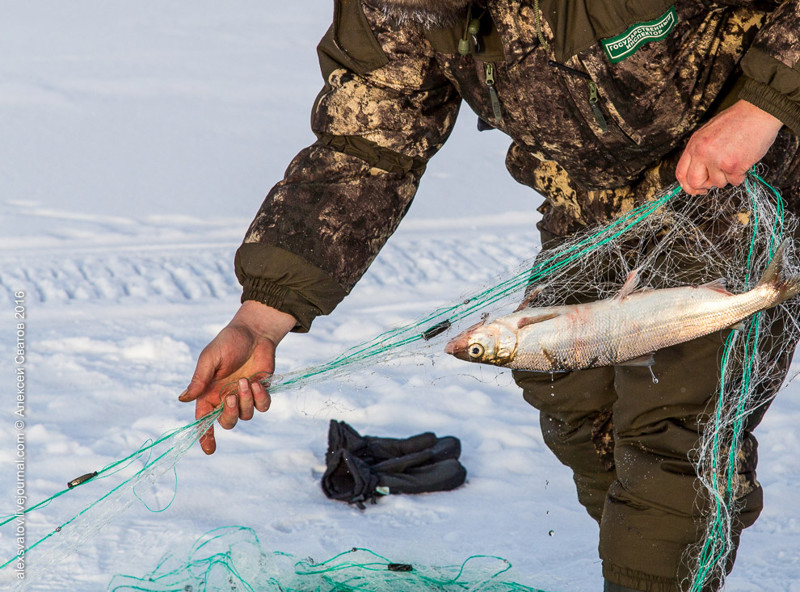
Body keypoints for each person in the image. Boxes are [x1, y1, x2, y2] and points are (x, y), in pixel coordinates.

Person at [178, 1, 800, 590]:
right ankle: (662, 548)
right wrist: (261, 318)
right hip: (592, 203)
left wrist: (763, 106)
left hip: (748, 180)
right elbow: (364, 145)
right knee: (575, 405)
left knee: (674, 435)